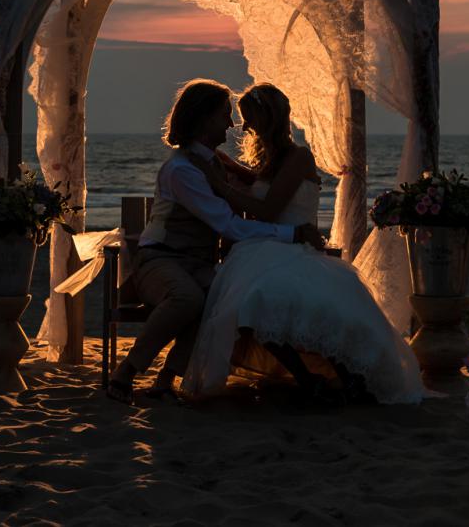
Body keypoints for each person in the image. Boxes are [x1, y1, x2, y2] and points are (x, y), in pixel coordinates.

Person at [180, 83, 425, 406]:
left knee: (265, 299)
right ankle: (306, 377)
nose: (245, 127)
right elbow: (265, 185)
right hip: (269, 245)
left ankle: (342, 374)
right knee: (250, 303)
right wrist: (232, 168)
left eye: (250, 118)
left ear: (268, 119)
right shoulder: (272, 159)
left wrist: (217, 184)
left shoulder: (299, 156)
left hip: (293, 247)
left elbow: (268, 209)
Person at [105, 79, 325, 405]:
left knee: (221, 297)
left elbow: (260, 189)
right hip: (161, 260)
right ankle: (125, 373)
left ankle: (165, 381)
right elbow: (228, 225)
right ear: (204, 119)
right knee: (188, 298)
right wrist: (292, 234)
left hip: (199, 263)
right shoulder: (182, 170)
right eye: (225, 115)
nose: (233, 124)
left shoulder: (214, 163)